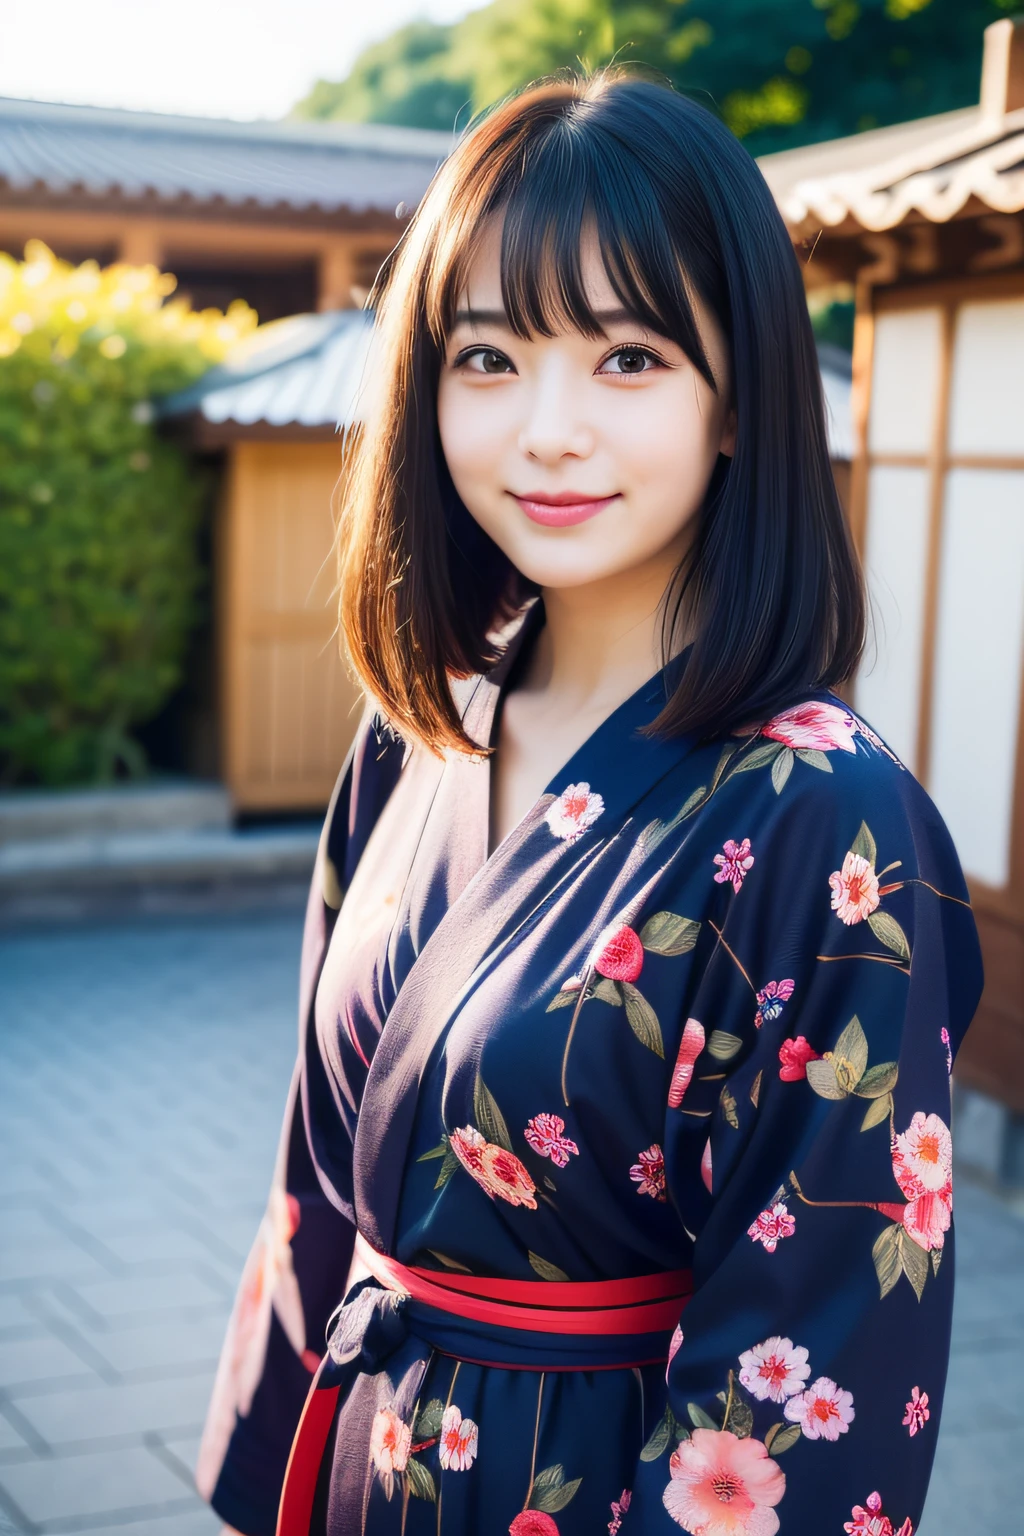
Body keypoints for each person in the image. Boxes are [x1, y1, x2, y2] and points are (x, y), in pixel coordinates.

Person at [197, 69, 981, 1536]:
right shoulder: (420, 730)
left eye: (628, 358)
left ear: (741, 393)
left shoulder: (826, 823)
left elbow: (816, 1362)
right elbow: (318, 1182)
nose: (545, 430)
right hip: (362, 1460)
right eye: (486, 360)